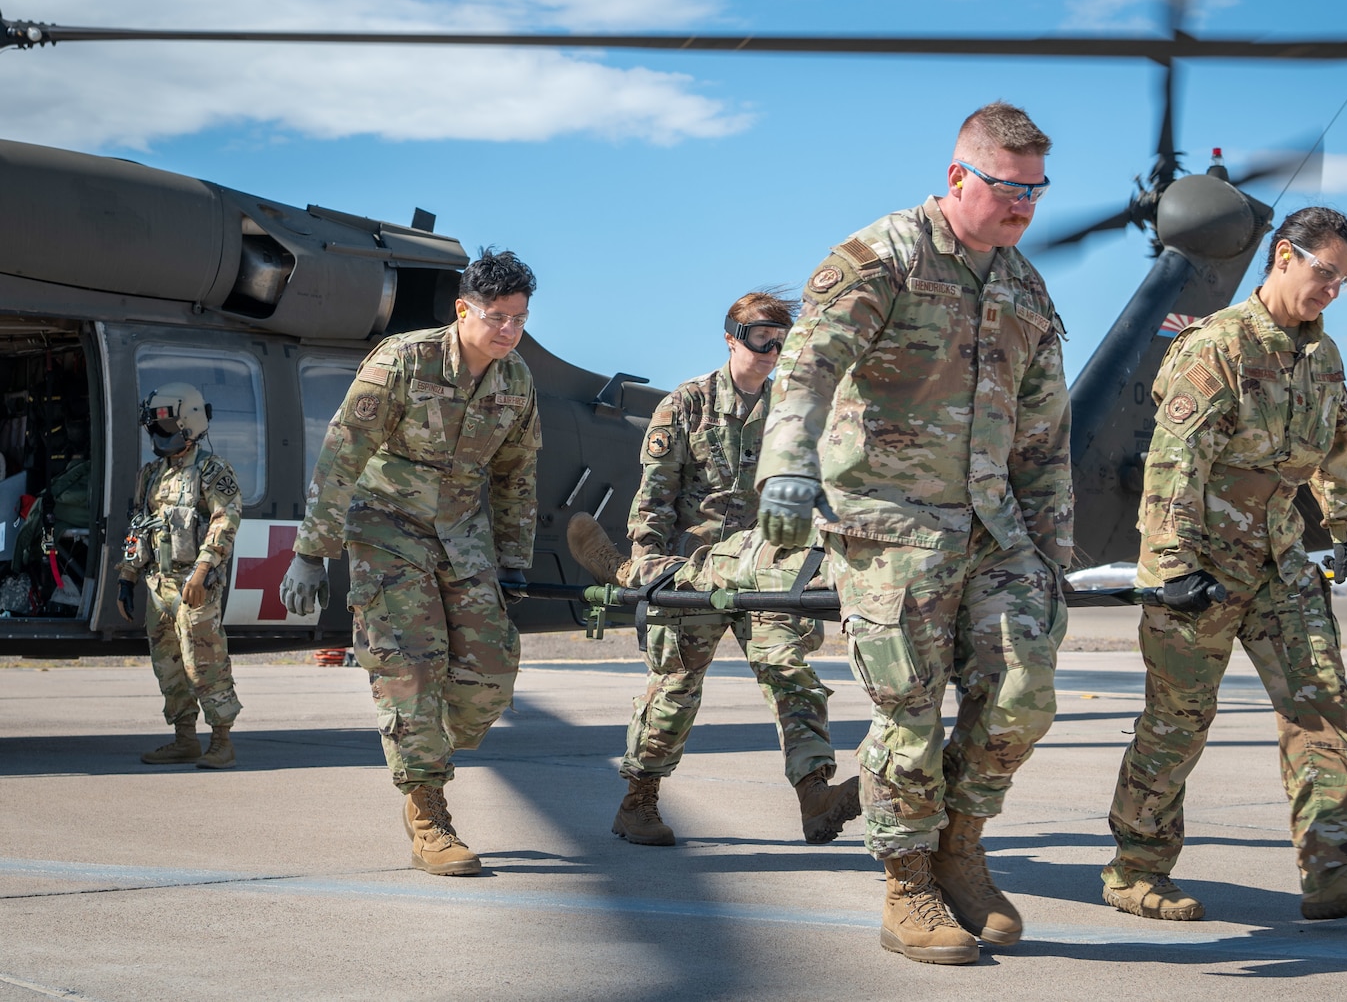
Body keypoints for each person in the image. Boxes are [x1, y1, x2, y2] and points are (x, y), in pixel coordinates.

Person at [753, 102, 1073, 965]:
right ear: (960, 176)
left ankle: (961, 850)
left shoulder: (1023, 285)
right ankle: (908, 883)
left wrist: (1053, 552)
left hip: (997, 530)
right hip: (892, 524)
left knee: (1023, 696)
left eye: (1037, 192)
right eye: (1010, 189)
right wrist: (787, 464)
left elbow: (1045, 435)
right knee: (909, 711)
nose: (1024, 209)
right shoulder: (881, 256)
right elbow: (808, 362)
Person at [1102, 206, 1347, 923]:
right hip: (1204, 566)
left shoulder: (1322, 355)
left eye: (1345, 280)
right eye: (1325, 273)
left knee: (1321, 704)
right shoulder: (1217, 346)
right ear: (1284, 256)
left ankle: (1334, 869)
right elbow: (1173, 461)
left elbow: (1335, 442)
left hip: (1279, 558)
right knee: (1179, 719)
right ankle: (1135, 868)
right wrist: (1174, 565)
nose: (1333, 290)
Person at [567, 291, 861, 849]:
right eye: (760, 339)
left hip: (767, 569)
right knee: (675, 687)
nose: (772, 351)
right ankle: (639, 802)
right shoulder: (686, 406)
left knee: (789, 672)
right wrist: (650, 565)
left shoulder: (792, 413)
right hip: (689, 572)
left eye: (783, 342)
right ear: (731, 337)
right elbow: (654, 498)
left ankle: (815, 797)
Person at [280, 248, 541, 877]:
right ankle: (428, 812)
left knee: (490, 678)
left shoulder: (516, 382)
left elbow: (516, 477)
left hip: (462, 535)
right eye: (497, 316)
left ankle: (418, 741)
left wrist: (513, 561)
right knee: (413, 670)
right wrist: (312, 552)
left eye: (520, 318)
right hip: (385, 529)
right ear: (463, 309)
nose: (508, 330)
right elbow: (342, 453)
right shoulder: (404, 359)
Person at [117, 381, 244, 769]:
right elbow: (140, 526)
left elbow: (226, 519)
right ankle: (184, 739)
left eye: (169, 429)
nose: (162, 437)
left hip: (195, 587)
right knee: (169, 665)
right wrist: (127, 577)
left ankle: (222, 741)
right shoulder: (151, 474)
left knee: (204, 662)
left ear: (190, 425)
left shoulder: (211, 469)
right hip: (160, 585)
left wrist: (204, 568)